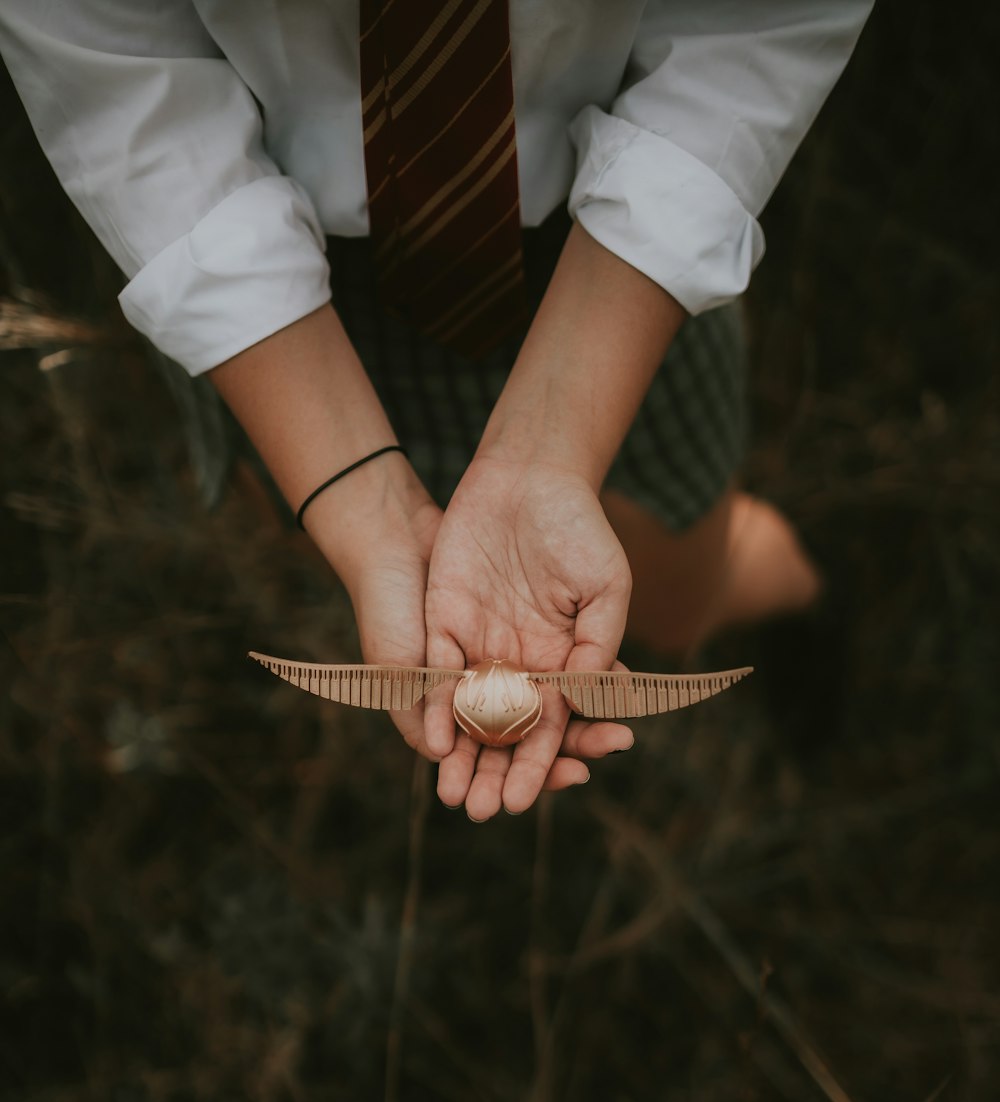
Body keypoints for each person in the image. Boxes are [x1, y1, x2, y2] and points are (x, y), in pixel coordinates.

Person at [0, 2, 872, 821]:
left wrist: (551, 452)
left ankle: (806, 592)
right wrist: (359, 502)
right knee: (295, 530)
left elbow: (760, 24)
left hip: (622, 244)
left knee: (680, 589)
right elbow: (114, 68)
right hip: (280, 282)